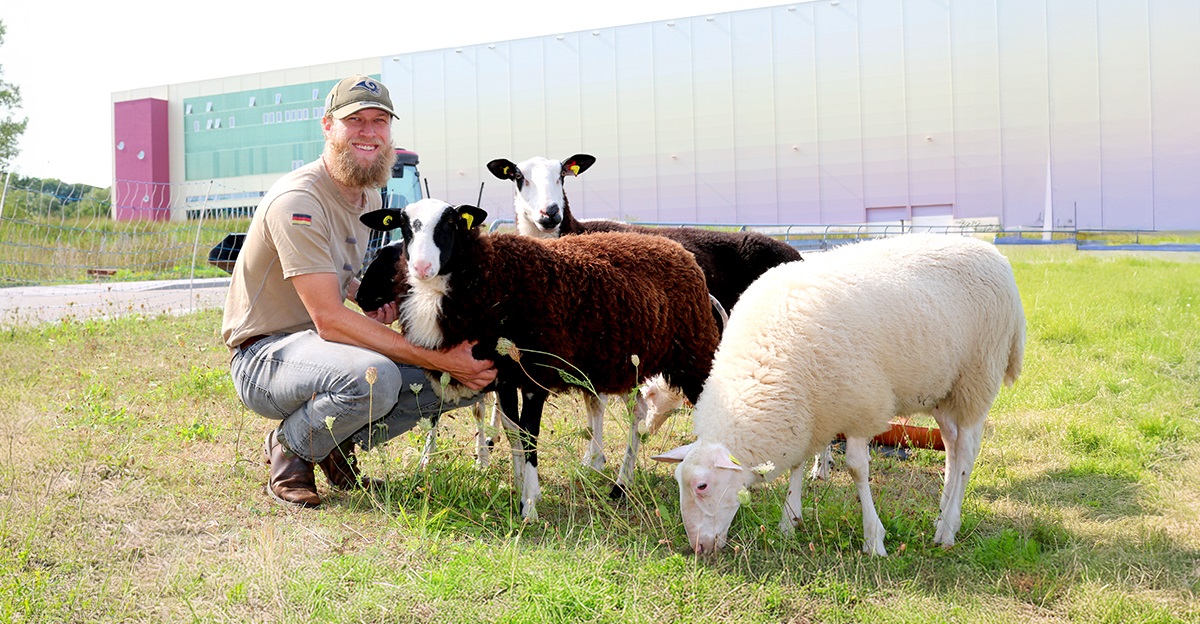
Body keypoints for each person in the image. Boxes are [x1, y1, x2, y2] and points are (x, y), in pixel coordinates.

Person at [221, 74, 497, 508]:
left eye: (380, 121)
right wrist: (440, 358)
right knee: (378, 377)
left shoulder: (365, 197)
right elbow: (328, 318)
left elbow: (333, 275)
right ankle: (292, 447)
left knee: (478, 372)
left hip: (318, 348)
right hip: (266, 355)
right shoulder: (299, 202)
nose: (369, 132)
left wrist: (370, 299)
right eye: (356, 121)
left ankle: (333, 440)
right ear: (328, 126)